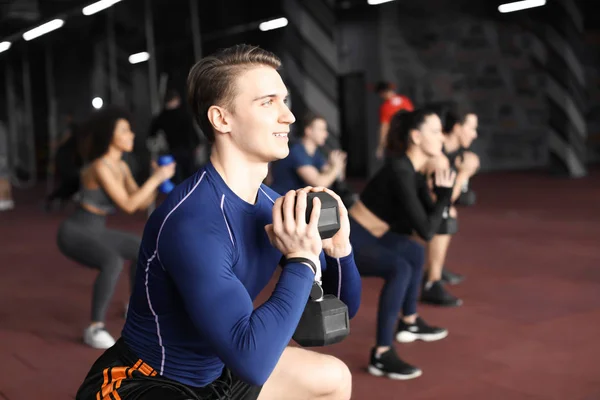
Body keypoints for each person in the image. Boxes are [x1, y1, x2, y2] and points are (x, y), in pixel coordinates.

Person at [75, 44, 362, 400]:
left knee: (332, 377)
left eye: (284, 101)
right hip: (146, 382)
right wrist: (301, 261)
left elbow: (339, 311)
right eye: (267, 102)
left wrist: (339, 251)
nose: (287, 116)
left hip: (219, 373)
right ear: (221, 119)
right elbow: (252, 362)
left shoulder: (274, 207)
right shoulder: (193, 221)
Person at [56, 106, 176, 349]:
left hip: (97, 228)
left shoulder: (120, 166)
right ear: (111, 136)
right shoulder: (100, 166)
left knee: (141, 247)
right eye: (125, 130)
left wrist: (156, 179)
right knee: (112, 262)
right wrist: (156, 179)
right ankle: (95, 327)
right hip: (75, 231)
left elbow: (140, 202)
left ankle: (135, 307)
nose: (132, 135)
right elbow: (128, 205)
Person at [347, 108, 453, 380]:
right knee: (400, 268)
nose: (441, 137)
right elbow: (428, 230)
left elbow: (433, 224)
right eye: (435, 131)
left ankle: (409, 322)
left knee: (414, 253)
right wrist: (442, 199)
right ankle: (381, 354)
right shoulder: (400, 170)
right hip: (351, 239)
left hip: (374, 235)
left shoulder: (414, 172)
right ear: (416, 137)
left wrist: (444, 194)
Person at [419, 105, 479, 303]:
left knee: (448, 211)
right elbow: (440, 201)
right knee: (446, 214)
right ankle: (431, 282)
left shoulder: (452, 152)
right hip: (396, 209)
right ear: (457, 128)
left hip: (415, 203)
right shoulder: (438, 156)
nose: (475, 134)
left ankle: (435, 267)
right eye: (471, 128)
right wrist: (464, 174)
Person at [269, 111, 349, 199]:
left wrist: (338, 164)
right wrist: (336, 167)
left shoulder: (316, 153)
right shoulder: (297, 152)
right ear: (308, 131)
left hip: (297, 202)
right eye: (321, 130)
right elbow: (319, 182)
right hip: (280, 201)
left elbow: (334, 176)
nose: (326, 134)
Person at [149, 89, 203, 184]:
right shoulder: (184, 113)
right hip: (187, 150)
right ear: (176, 99)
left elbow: (152, 133)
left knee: (177, 178)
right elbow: (192, 131)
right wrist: (197, 144)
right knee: (190, 177)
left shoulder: (162, 116)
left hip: (172, 150)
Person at [375, 81, 415, 159]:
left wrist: (380, 146)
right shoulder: (405, 100)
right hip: (410, 138)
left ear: (382, 93)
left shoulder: (385, 107)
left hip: (396, 141)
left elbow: (384, 127)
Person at [0, 120, 14, 211]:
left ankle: (3, 199)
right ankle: (7, 199)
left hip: (1, 155)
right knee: (4, 175)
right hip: (3, 155)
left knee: (2, 176)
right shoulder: (2, 126)